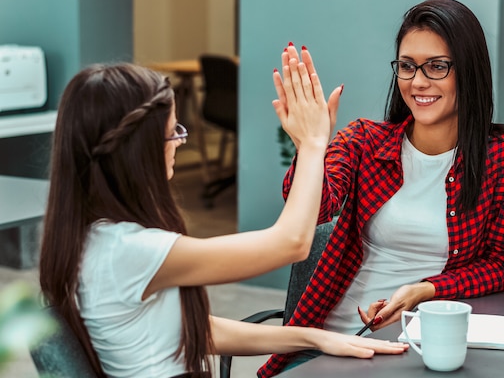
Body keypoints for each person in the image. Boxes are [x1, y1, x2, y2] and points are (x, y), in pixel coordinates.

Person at [38, 62, 408, 378]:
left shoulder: (97, 238)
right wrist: (313, 145)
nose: (179, 143)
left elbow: (191, 330)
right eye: (173, 132)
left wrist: (314, 337)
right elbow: (292, 242)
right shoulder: (129, 251)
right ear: (138, 151)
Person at [259, 0, 504, 377]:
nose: (418, 81)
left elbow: (503, 265)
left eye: (437, 66)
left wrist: (426, 290)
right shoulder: (365, 141)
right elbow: (316, 209)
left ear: (469, 71)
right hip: (333, 341)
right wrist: (310, 148)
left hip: (421, 347)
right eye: (407, 66)